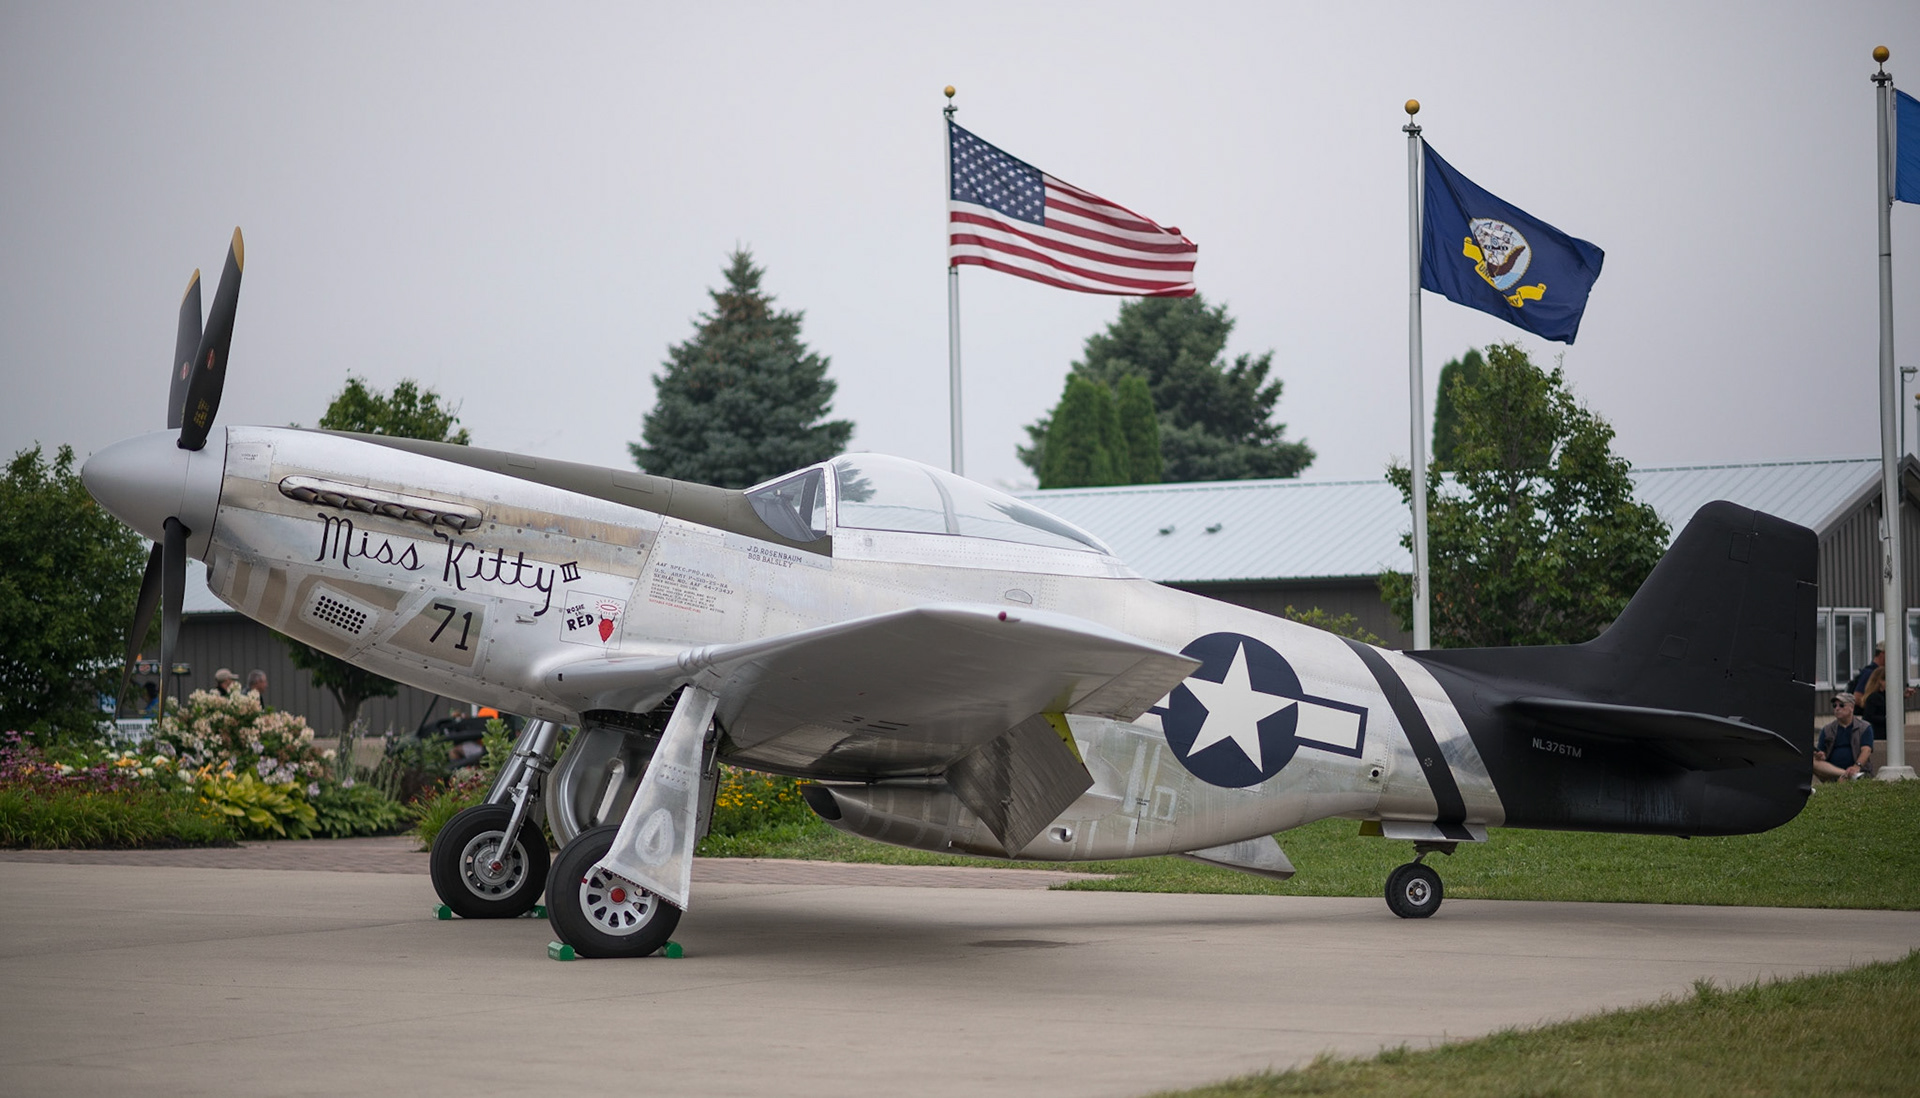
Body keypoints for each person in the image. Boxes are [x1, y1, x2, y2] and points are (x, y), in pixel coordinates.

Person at [1814, 693, 1875, 781]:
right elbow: (1821, 753)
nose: (1837, 708)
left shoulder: (1864, 727)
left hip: (1859, 770)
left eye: (1841, 705)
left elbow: (1866, 750)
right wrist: (1820, 756)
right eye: (1834, 706)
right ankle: (1845, 774)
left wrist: (1856, 766)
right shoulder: (1827, 729)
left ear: (1852, 708)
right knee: (1813, 762)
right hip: (1832, 772)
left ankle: (1850, 776)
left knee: (1849, 778)